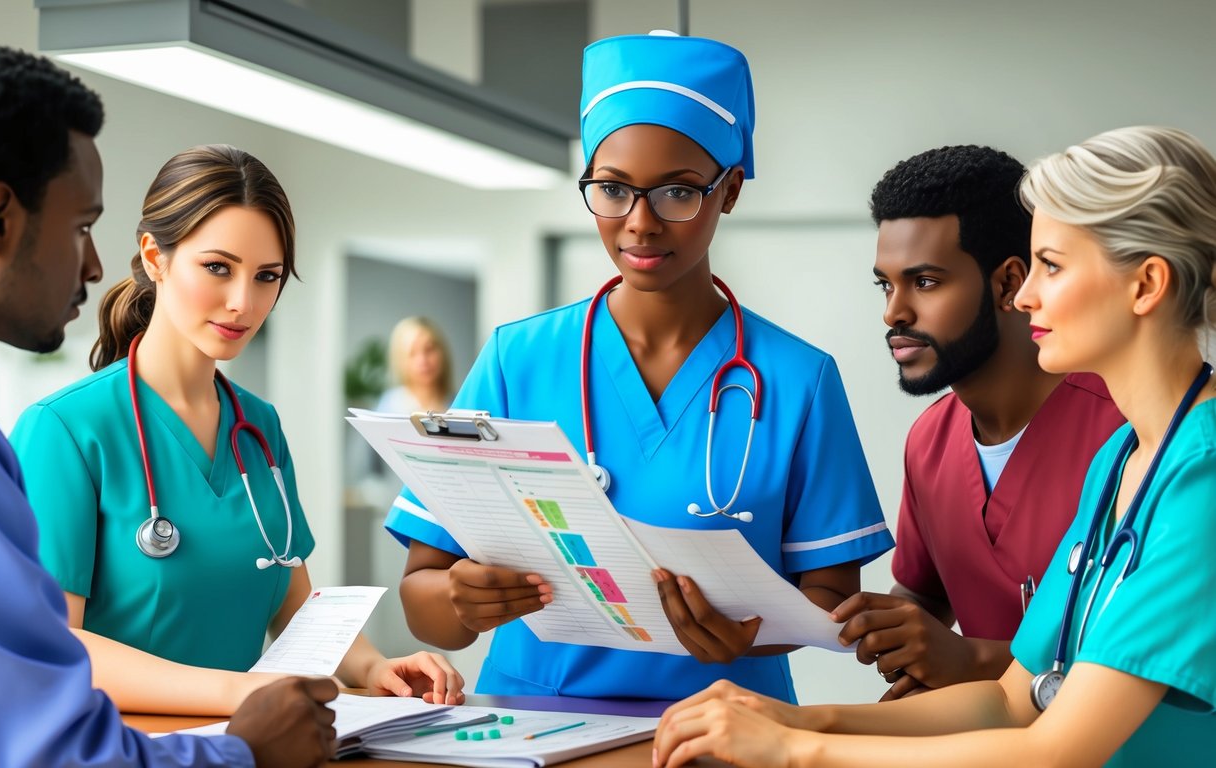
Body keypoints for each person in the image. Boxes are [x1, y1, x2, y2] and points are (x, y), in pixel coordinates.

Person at [654, 125, 1216, 767]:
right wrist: (796, 716)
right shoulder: (1121, 462)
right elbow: (1009, 701)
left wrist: (794, 750)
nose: (1027, 295)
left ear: (1145, 285)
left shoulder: (1202, 475)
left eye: (1051, 267)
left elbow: (1055, 751)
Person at [384, 31, 893, 701]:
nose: (639, 224)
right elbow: (425, 593)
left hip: (728, 726)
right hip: (532, 719)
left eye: (677, 193)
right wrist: (458, 601)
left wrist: (752, 633)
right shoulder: (518, 360)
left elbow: (829, 596)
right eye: (612, 189)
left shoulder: (799, 381)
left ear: (730, 189)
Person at [0, 41, 335, 767]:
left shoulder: (258, 424)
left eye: (268, 276)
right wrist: (244, 746)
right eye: (81, 226)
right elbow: (40, 746)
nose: (95, 267)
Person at [8, 144, 466, 716]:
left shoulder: (259, 426)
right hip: (120, 748)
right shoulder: (64, 431)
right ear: (155, 256)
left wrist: (373, 666)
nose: (242, 303)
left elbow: (291, 604)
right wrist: (238, 692)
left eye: (266, 276)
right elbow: (53, 644)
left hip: (239, 743)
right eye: (218, 267)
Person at [834, 146, 1123, 700]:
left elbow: (1141, 668)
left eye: (924, 282)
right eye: (885, 285)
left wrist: (969, 662)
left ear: (1009, 284)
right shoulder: (930, 441)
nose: (894, 312)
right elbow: (924, 599)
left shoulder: (1130, 431)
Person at [376, 316, 455, 415]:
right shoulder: (388, 406)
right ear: (400, 360)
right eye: (412, 353)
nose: (423, 360)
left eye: (429, 349)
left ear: (442, 352)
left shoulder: (460, 406)